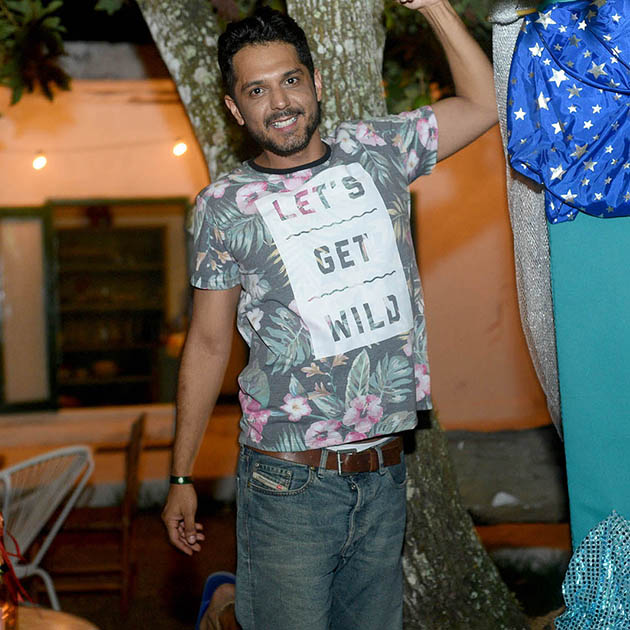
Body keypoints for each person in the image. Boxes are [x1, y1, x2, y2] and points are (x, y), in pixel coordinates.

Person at [162, 1, 497, 628]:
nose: (279, 102)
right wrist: (181, 475)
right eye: (256, 90)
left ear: (316, 83)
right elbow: (207, 344)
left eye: (290, 79)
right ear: (235, 109)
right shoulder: (225, 206)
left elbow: (483, 105)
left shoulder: (376, 151)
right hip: (287, 481)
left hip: (385, 472)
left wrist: (435, 7)